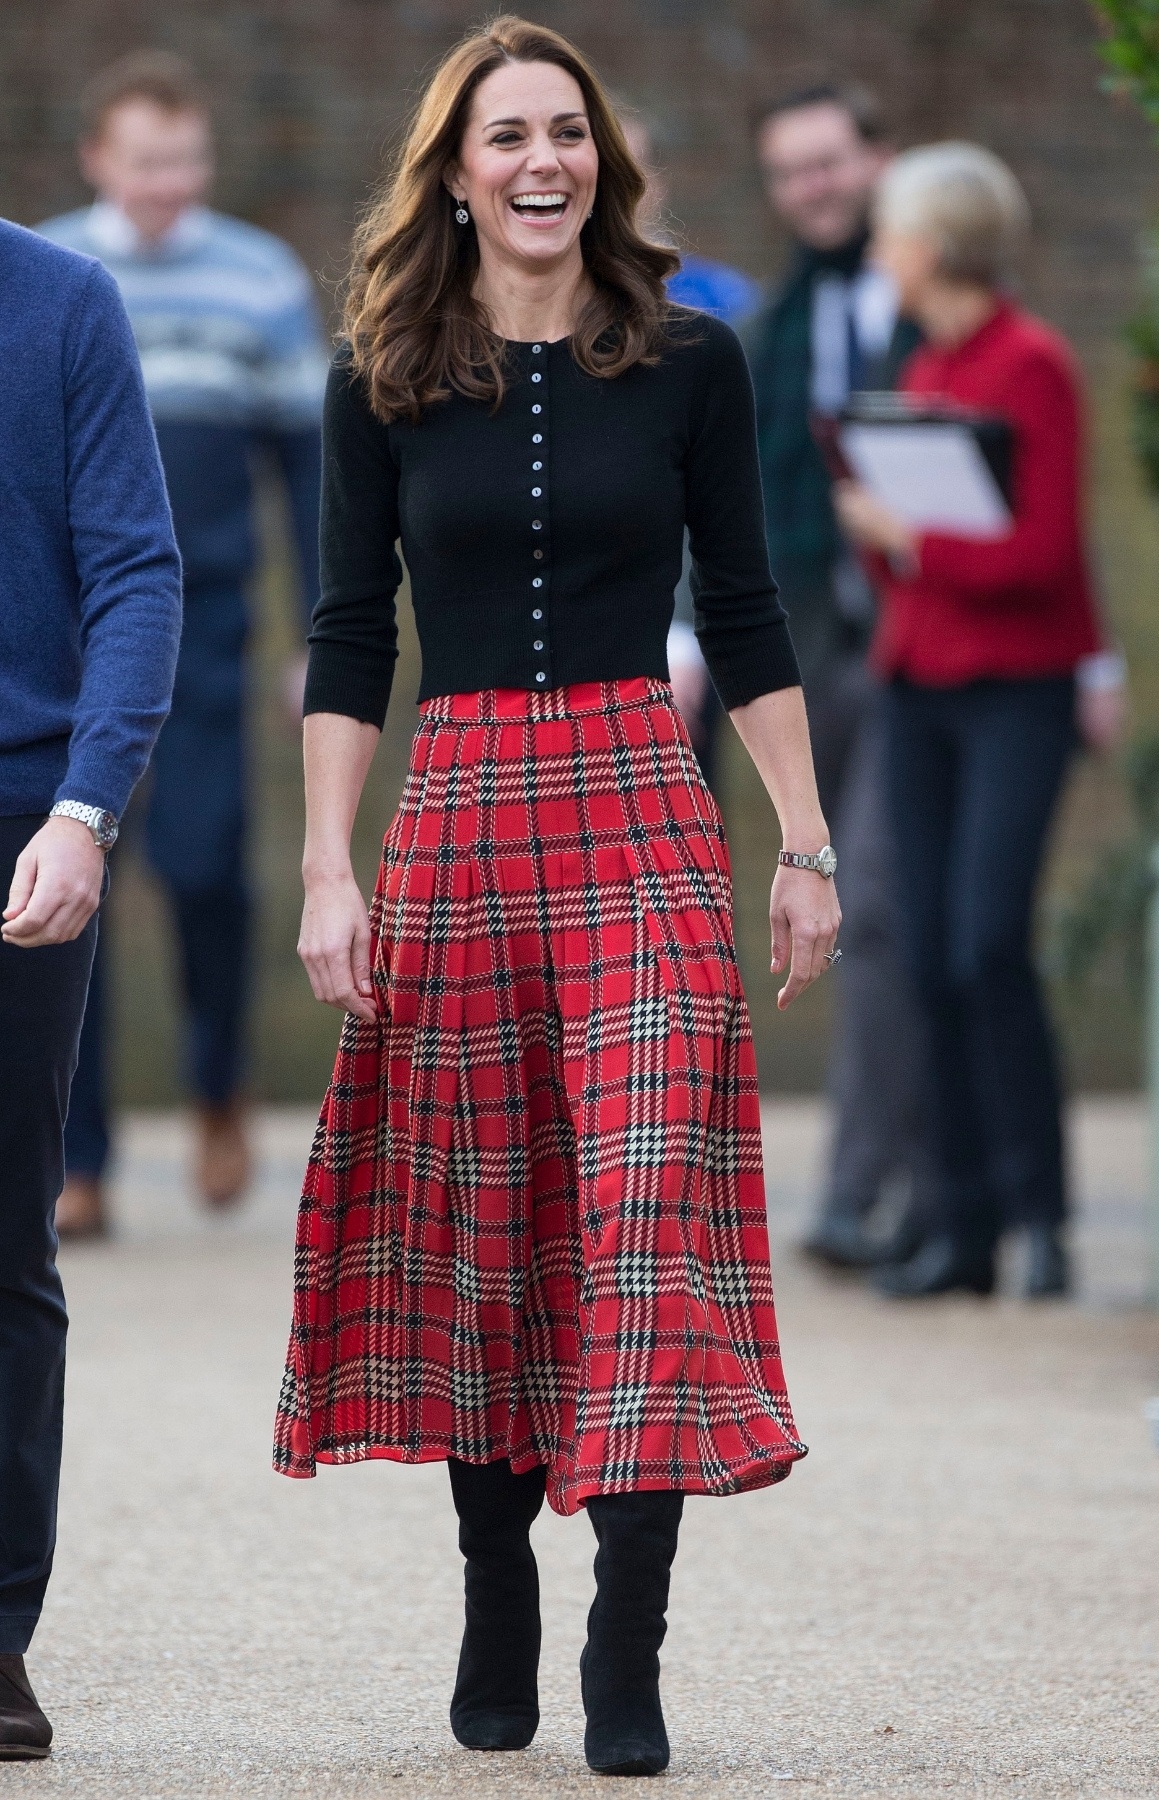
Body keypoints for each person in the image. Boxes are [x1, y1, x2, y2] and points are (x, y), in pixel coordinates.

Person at [273, 16, 839, 1777]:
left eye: (568, 133)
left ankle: (628, 1642)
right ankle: (495, 1589)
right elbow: (350, 633)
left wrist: (807, 843)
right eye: (507, 134)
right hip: (454, 821)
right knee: (486, 1227)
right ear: (454, 170)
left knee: (650, 1208)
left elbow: (744, 610)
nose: (542, 161)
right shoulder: (377, 370)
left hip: (642, 813)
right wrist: (325, 869)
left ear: (602, 161)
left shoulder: (692, 359)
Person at [40, 52, 327, 1230]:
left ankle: (216, 1084)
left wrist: (317, 632)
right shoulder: (53, 276)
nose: (171, 181)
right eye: (147, 159)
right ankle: (84, 1155)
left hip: (206, 621)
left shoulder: (259, 280)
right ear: (100, 161)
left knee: (205, 866)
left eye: (188, 158)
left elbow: (312, 471)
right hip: (65, 630)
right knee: (65, 878)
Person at [835, 142, 1125, 1299]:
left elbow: (1042, 552)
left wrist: (906, 534)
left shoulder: (1030, 365)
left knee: (986, 947)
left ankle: (1037, 1214)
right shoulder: (932, 370)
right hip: (923, 686)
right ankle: (956, 1223)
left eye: (890, 233)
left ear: (934, 244)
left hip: (1016, 690)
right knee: (923, 961)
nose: (878, 255)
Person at [0, 217, 181, 1756]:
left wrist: (85, 806)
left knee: (1, 1240)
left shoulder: (63, 305)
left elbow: (136, 571)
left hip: (19, 826)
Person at [747, 80, 933, 1269]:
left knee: (897, 911)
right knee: (872, 909)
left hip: (930, 652)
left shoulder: (939, 304)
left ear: (881, 158)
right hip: (819, 655)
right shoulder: (776, 330)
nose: (816, 187)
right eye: (791, 170)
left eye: (832, 162)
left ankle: (879, 1188)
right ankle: (888, 1189)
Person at [620, 109, 761, 795]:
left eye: (636, 168)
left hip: (682, 629)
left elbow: (721, 491)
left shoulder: (723, 310)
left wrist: (681, 632)